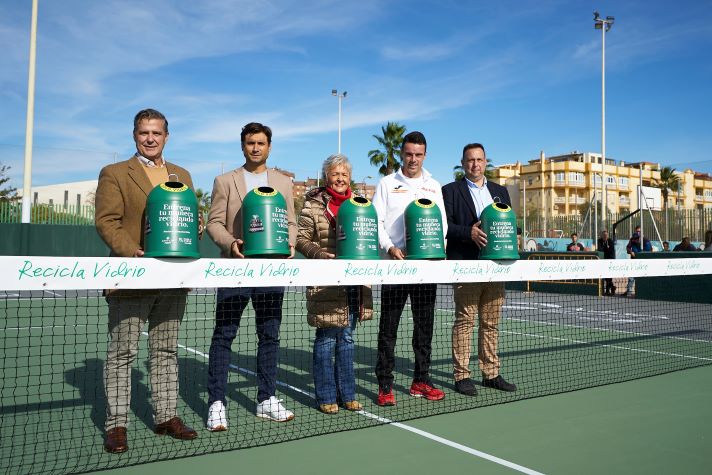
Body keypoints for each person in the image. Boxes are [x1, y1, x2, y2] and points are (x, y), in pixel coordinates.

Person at [95, 108, 198, 454]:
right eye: (144, 133)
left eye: (156, 133)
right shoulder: (114, 173)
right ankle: (117, 425)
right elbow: (107, 221)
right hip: (131, 275)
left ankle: (166, 416)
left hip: (173, 278)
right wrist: (133, 252)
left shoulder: (181, 174)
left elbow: (187, 218)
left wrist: (193, 231)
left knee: (165, 350)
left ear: (166, 136)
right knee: (122, 352)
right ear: (135, 135)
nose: (150, 138)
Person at [205, 122, 297, 431]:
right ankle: (217, 402)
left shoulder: (284, 183)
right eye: (249, 143)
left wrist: (291, 243)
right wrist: (231, 243)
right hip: (236, 269)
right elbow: (214, 222)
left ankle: (266, 398)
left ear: (269, 147)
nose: (255, 147)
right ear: (242, 146)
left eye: (260, 143)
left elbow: (291, 222)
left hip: (271, 271)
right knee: (224, 335)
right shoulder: (224, 181)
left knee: (269, 334)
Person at [372, 131, 447, 406]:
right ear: (401, 154)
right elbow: (376, 221)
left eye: (418, 154)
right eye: (408, 154)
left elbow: (442, 224)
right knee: (388, 329)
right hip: (395, 267)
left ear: (424, 155)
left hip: (425, 269)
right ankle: (385, 385)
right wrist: (390, 248)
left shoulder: (434, 185)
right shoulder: (387, 183)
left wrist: (436, 253)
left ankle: (421, 380)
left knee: (424, 328)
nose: (413, 159)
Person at [296, 154, 373, 414]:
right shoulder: (312, 204)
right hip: (326, 281)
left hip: (354, 282)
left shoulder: (360, 204)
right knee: (327, 338)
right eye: (334, 174)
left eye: (344, 174)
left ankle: (348, 394)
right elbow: (301, 239)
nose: (340, 178)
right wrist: (320, 255)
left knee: (347, 338)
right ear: (326, 176)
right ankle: (327, 396)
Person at [442, 143, 517, 396]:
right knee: (465, 321)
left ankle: (491, 374)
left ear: (486, 162)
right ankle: (462, 375)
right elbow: (446, 227)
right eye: (470, 160)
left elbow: (507, 224)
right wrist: (469, 232)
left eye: (479, 160)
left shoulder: (500, 192)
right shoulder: (450, 191)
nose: (475, 164)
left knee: (491, 323)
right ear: (463, 163)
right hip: (466, 266)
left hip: (495, 268)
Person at [624, 226, 652, 297]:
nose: (638, 233)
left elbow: (650, 250)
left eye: (639, 231)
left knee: (643, 278)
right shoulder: (632, 239)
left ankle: (644, 292)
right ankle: (629, 292)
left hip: (643, 263)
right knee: (631, 277)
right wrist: (630, 252)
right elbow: (627, 248)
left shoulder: (646, 240)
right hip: (633, 261)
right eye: (637, 231)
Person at [597, 230, 616, 295]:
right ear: (602, 235)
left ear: (608, 235)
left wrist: (606, 249)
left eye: (606, 235)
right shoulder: (599, 241)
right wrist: (606, 248)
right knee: (605, 276)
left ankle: (608, 290)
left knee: (609, 276)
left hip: (610, 260)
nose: (605, 236)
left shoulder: (610, 241)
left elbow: (610, 251)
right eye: (604, 235)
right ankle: (612, 287)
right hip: (603, 261)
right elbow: (600, 249)